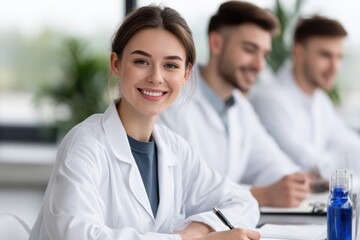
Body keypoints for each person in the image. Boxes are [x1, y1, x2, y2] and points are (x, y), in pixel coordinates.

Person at [29, 5, 261, 240]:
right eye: (141, 61)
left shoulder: (175, 149)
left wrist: (201, 229)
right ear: (116, 64)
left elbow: (244, 202)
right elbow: (76, 235)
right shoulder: (85, 145)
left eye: (171, 65)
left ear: (186, 74)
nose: (156, 77)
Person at [159, 0, 310, 208]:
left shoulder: (240, 107)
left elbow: (270, 161)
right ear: (216, 44)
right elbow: (182, 191)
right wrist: (260, 195)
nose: (259, 65)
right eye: (250, 50)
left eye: (264, 54)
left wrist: (294, 181)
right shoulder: (170, 101)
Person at [250, 16, 360, 180]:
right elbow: (306, 163)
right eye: (325, 55)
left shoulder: (320, 100)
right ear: (299, 52)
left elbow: (348, 145)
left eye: (339, 57)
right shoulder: (269, 100)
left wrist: (334, 160)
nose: (334, 67)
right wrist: (337, 161)